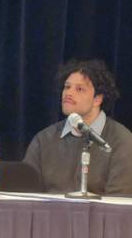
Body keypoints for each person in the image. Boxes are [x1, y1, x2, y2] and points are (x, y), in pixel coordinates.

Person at [24, 58, 132, 196]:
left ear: (97, 99)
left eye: (79, 89)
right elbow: (26, 194)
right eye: (67, 87)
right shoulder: (44, 139)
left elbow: (118, 203)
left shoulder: (122, 141)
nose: (69, 93)